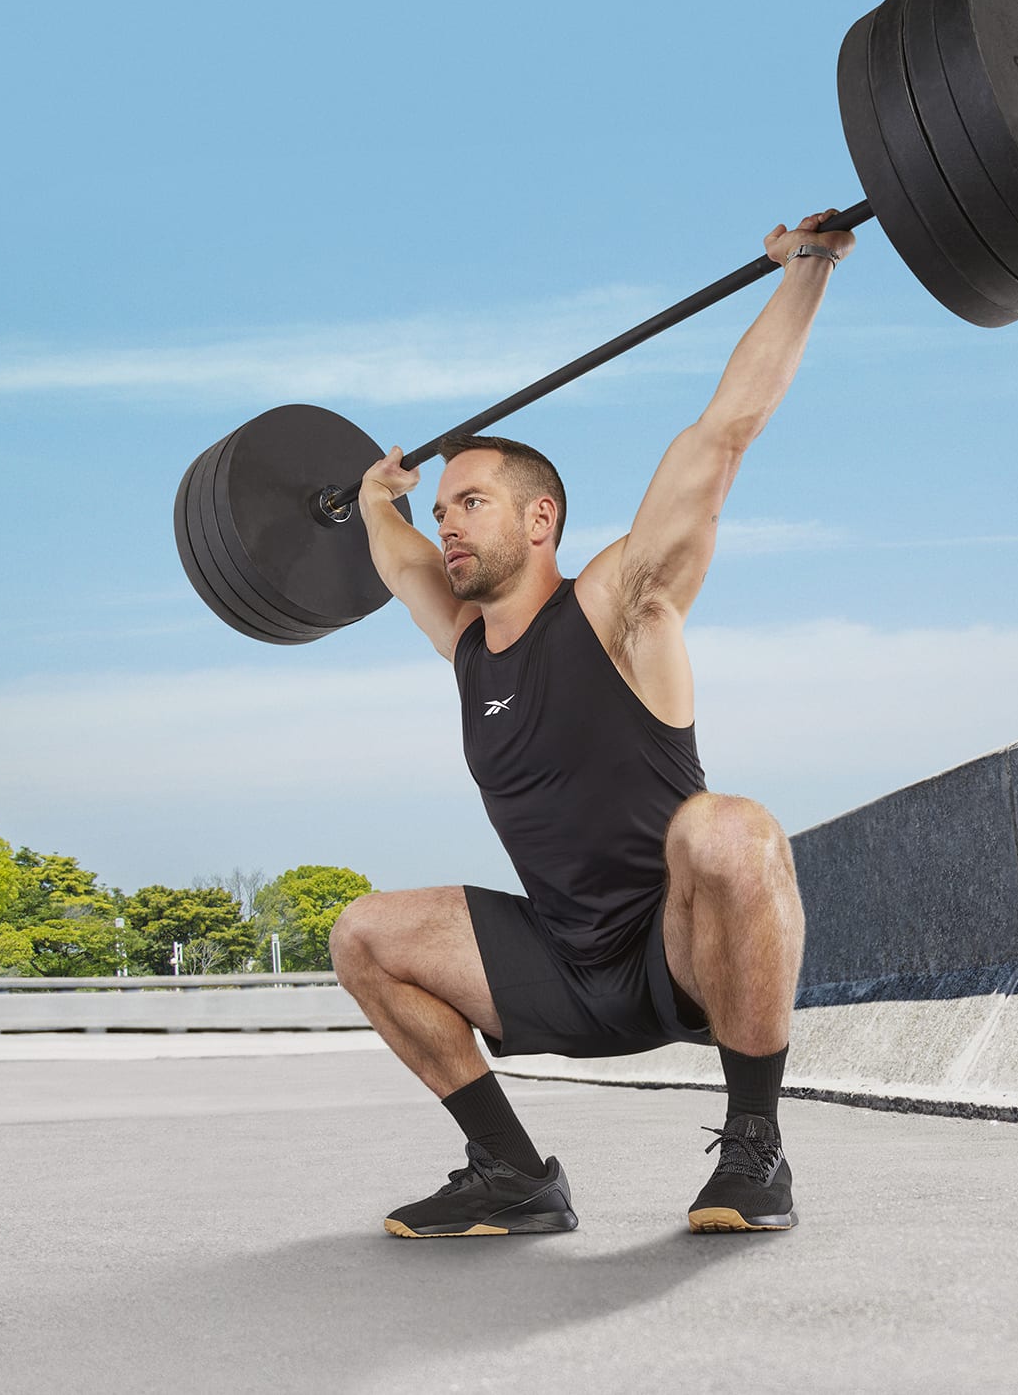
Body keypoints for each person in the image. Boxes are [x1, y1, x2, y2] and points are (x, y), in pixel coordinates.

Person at [329, 212, 856, 1237]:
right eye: (441, 511)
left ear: (541, 520)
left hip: (680, 950)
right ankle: (513, 1172)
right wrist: (372, 496)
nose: (446, 526)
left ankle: (755, 1149)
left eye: (468, 503)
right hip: (562, 964)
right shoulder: (469, 643)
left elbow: (723, 432)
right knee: (362, 934)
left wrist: (809, 269)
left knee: (728, 828)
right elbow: (391, 557)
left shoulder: (623, 601)